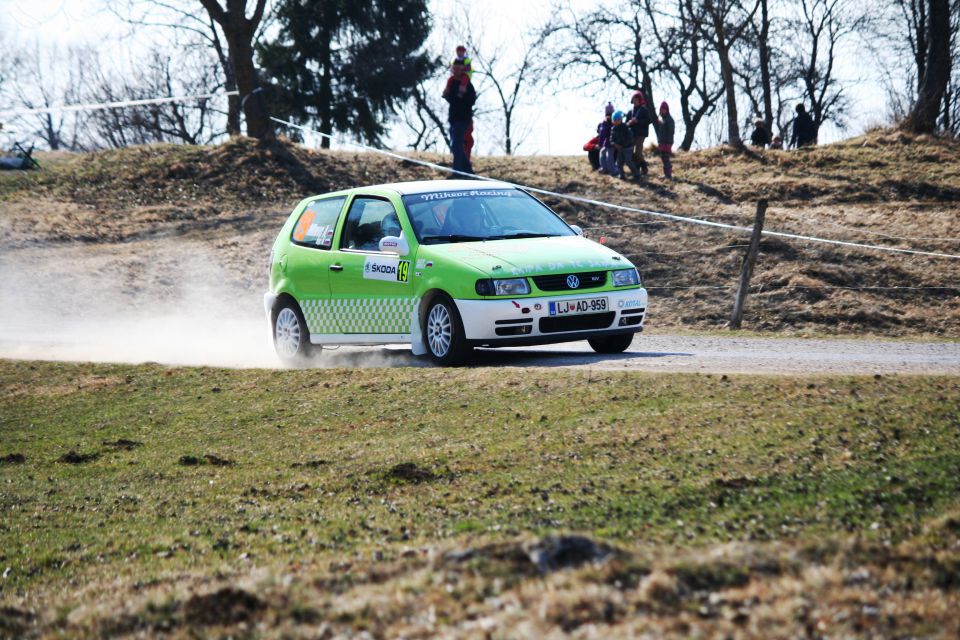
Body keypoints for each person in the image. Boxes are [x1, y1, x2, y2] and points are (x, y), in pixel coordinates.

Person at [443, 63, 477, 176]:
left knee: (457, 145)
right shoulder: (451, 83)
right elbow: (451, 99)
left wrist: (462, 94)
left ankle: (457, 171)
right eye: (454, 68)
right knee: (455, 145)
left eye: (458, 69)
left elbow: (472, 100)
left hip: (463, 119)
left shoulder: (468, 85)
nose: (455, 71)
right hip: (453, 118)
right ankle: (467, 171)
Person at [627, 91, 653, 175]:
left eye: (637, 99)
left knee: (638, 152)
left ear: (640, 100)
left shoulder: (644, 110)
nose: (635, 101)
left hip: (641, 134)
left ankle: (644, 166)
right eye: (634, 99)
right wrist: (629, 123)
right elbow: (626, 124)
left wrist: (637, 121)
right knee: (631, 152)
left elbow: (649, 120)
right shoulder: (630, 112)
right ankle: (638, 167)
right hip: (632, 134)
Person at [610, 110, 640, 180]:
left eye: (618, 120)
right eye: (615, 120)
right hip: (620, 149)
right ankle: (622, 175)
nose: (616, 121)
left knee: (628, 161)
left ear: (621, 120)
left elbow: (630, 138)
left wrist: (623, 145)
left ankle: (636, 174)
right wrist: (615, 144)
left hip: (628, 148)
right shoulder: (613, 129)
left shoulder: (625, 127)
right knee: (619, 162)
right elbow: (611, 140)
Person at [653, 101, 675, 180]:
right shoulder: (663, 119)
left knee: (666, 158)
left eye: (664, 109)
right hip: (662, 142)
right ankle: (666, 174)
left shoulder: (669, 120)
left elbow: (671, 132)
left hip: (667, 143)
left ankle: (668, 175)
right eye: (661, 109)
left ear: (667, 110)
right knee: (663, 158)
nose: (662, 111)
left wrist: (669, 142)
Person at [596, 103, 617, 175]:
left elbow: (603, 133)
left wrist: (600, 144)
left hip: (610, 142)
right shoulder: (614, 120)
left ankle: (612, 171)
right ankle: (605, 168)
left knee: (609, 156)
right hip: (610, 142)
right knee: (603, 153)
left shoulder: (606, 121)